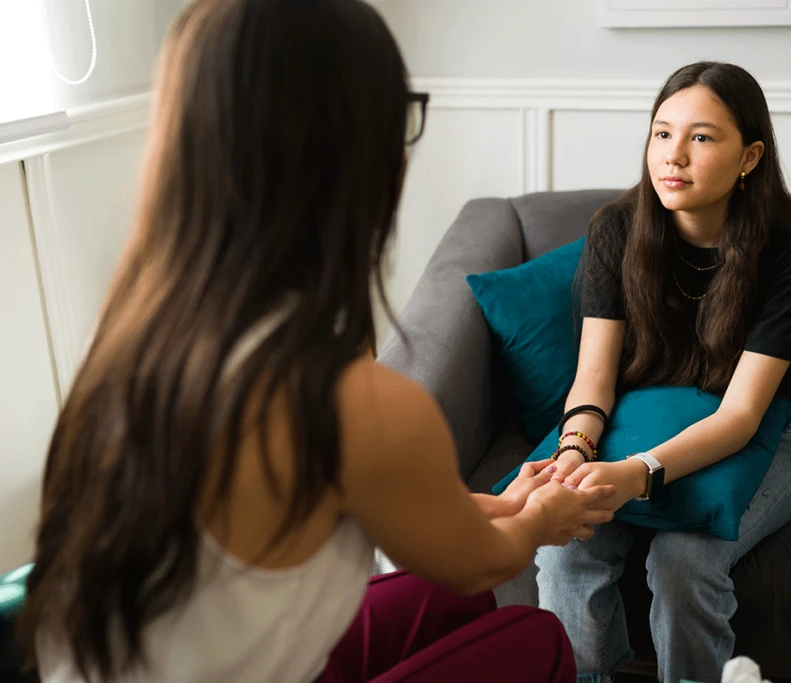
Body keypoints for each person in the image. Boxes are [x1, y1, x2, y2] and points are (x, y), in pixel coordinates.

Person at [17, 1, 616, 682]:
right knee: (534, 638)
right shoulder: (350, 401)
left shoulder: (133, 331)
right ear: (355, 160)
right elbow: (478, 555)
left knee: (459, 599)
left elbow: (432, 530)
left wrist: (513, 503)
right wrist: (541, 520)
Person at [535, 61, 791, 683]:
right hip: (634, 429)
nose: (674, 156)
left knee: (683, 560)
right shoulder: (615, 230)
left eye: (701, 137)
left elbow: (742, 415)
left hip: (753, 442)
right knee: (564, 552)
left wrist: (635, 476)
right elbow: (594, 378)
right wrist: (576, 448)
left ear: (749, 158)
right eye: (662, 133)